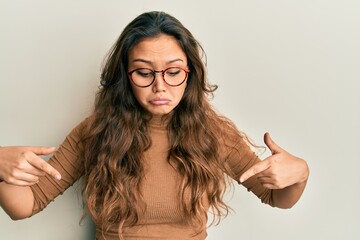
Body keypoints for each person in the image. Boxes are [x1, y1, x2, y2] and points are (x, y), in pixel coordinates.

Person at [0, 11, 309, 240]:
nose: (160, 86)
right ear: (125, 77)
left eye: (173, 71)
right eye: (144, 72)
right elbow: (24, 206)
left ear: (190, 74)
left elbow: (276, 199)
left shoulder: (213, 132)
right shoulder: (95, 132)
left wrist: (300, 175)